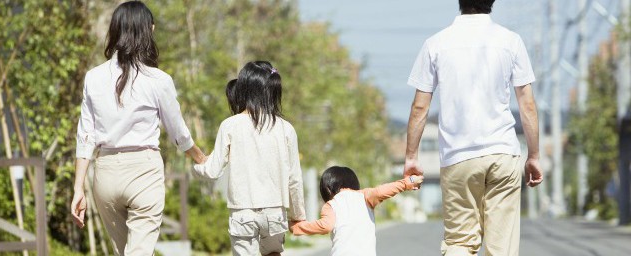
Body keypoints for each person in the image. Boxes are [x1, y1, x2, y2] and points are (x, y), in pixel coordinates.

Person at [404, 1, 543, 255]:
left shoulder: (435, 44)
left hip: (458, 158)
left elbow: (419, 108)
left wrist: (411, 156)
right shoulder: (511, 41)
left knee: (459, 242)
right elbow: (528, 105)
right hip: (503, 154)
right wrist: (533, 156)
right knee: (501, 248)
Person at [70, 1, 205, 255]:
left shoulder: (93, 77)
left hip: (106, 174)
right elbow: (178, 133)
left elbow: (85, 136)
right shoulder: (159, 80)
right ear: (148, 31)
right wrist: (200, 158)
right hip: (144, 171)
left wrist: (78, 187)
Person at [193, 61, 306, 256]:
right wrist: (297, 215)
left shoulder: (230, 125)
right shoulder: (286, 129)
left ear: (244, 88)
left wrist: (196, 166)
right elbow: (294, 178)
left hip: (242, 213)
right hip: (275, 212)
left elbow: (212, 170)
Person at [289, 166, 423, 256]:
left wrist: (297, 226)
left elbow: (326, 226)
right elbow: (383, 190)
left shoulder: (332, 205)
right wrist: (408, 182)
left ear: (328, 189)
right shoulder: (365, 197)